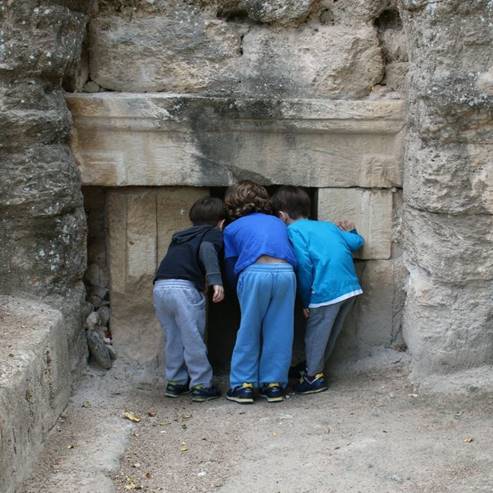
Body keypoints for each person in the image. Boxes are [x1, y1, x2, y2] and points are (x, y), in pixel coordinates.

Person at [271, 186, 364, 394]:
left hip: (325, 290)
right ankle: (313, 367)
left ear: (281, 216)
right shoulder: (328, 226)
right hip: (350, 287)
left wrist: (306, 301)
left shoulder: (293, 231)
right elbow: (357, 243)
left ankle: (314, 377)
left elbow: (304, 266)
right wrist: (352, 230)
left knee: (315, 334)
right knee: (329, 333)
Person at [223, 181, 297, 404]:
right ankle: (273, 384)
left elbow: (230, 265)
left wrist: (235, 290)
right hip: (286, 272)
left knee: (249, 328)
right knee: (280, 329)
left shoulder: (231, 228)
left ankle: (243, 384)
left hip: (254, 272)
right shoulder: (278, 223)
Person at [153, 196, 225, 402]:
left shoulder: (179, 236)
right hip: (184, 289)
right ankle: (201, 385)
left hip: (160, 286)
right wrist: (215, 281)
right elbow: (207, 250)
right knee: (193, 337)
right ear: (221, 222)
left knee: (173, 337)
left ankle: (175, 382)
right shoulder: (212, 234)